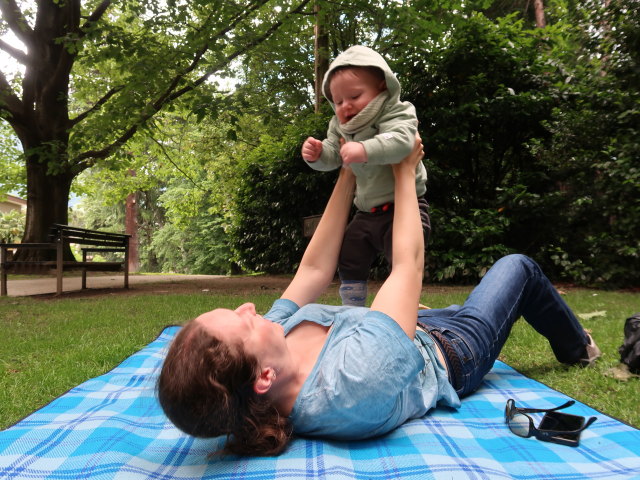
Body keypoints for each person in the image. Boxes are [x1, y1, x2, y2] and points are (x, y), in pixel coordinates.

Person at [157, 136, 601, 457]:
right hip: (451, 350)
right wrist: (404, 171)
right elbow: (406, 266)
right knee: (517, 268)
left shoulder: (273, 345)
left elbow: (313, 269)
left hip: (406, 325)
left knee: (474, 296)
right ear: (263, 379)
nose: (250, 308)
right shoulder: (352, 387)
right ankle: (578, 347)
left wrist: (349, 172)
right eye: (245, 321)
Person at [301, 45, 430, 307]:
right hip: (366, 211)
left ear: (382, 88)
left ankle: (406, 302)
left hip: (404, 207)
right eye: (337, 102)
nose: (345, 106)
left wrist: (364, 149)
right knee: (349, 253)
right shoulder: (340, 126)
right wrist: (317, 156)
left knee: (404, 256)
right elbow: (334, 154)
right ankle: (353, 304)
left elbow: (403, 141)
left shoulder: (396, 110)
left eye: (355, 96)